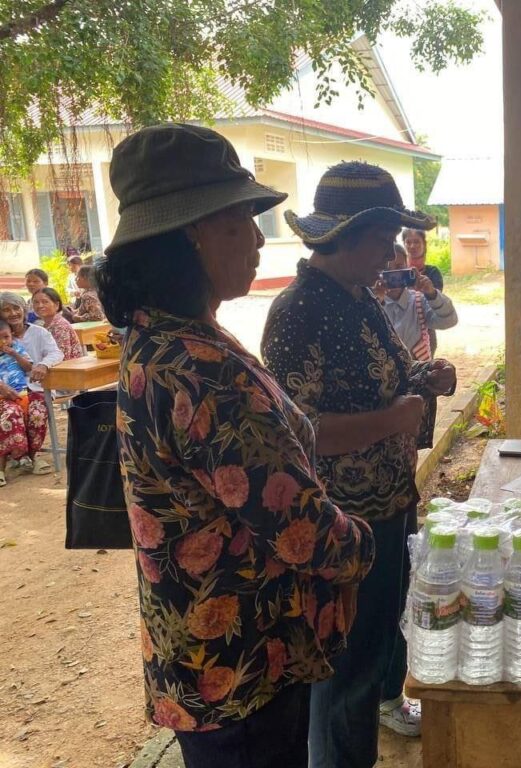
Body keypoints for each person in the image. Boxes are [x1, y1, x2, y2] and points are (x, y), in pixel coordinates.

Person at [96, 122, 374, 768]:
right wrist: (365, 543)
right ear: (187, 238)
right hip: (243, 668)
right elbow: (300, 529)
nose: (256, 239)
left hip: (204, 656)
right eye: (235, 223)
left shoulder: (162, 337)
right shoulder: (199, 370)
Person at [262, 161, 457, 764]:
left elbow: (389, 381)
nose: (393, 250)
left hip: (389, 508)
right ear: (344, 237)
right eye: (382, 239)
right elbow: (299, 436)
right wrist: (394, 419)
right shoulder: (298, 313)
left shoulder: (360, 298)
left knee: (374, 652)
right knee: (342, 673)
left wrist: (426, 379)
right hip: (340, 527)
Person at [0, 292, 62, 475]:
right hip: (6, 389)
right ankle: (23, 456)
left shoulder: (38, 332)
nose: (13, 313)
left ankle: (32, 455)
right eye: (6, 310)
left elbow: (56, 353)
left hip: (36, 386)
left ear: (24, 309)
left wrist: (43, 364)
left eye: (16, 308)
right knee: (11, 413)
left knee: (37, 412)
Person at [376, 243, 458, 361]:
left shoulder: (418, 301)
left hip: (417, 374)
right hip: (385, 374)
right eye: (386, 269)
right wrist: (376, 300)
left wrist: (432, 294)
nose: (394, 274)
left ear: (408, 267)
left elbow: (449, 321)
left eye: (399, 267)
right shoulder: (371, 303)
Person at [0, 319, 35, 487]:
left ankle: (28, 455)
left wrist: (14, 353)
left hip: (21, 393)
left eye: (6, 337)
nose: (3, 342)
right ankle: (18, 456)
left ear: (12, 336)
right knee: (11, 414)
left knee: (36, 411)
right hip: (2, 398)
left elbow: (29, 367)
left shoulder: (17, 349)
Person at [401, 227, 445, 355]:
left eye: (416, 242)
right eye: (408, 242)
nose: (412, 246)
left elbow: (435, 302)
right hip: (400, 333)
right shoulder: (397, 275)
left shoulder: (433, 273)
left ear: (424, 244)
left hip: (426, 334)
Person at [33, 287, 85, 360]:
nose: (40, 305)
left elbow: (62, 356)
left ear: (57, 305)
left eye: (45, 302)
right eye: (36, 302)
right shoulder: (42, 325)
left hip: (66, 368)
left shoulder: (60, 326)